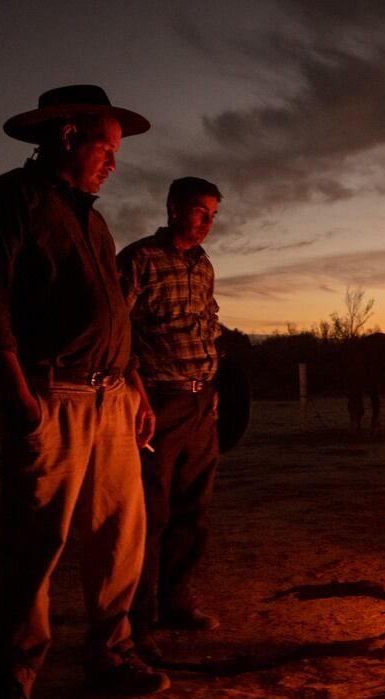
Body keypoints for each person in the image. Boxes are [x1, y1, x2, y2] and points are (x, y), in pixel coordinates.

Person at [0, 85, 169, 699]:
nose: (115, 162)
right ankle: (14, 677)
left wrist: (134, 386)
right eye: (107, 148)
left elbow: (113, 313)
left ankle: (110, 652)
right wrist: (19, 398)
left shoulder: (94, 220)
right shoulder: (5, 203)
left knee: (118, 538)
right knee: (35, 544)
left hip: (112, 397)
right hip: (52, 395)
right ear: (69, 137)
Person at [118, 177, 224, 658]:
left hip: (201, 401)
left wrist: (214, 384)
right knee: (150, 513)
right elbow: (116, 330)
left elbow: (210, 324)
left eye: (213, 216)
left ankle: (176, 600)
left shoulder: (203, 267)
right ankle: (138, 619)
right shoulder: (139, 259)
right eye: (201, 212)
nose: (206, 223)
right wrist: (137, 392)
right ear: (174, 207)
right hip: (158, 399)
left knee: (193, 510)